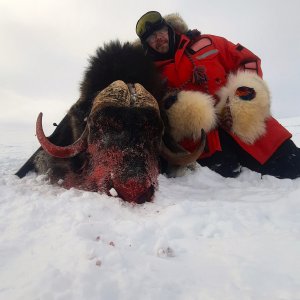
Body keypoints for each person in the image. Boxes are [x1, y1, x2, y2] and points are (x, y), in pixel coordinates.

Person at [135, 11, 300, 179]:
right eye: (151, 38)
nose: (158, 38)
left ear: (169, 28)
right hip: (205, 150)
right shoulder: (149, 74)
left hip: (253, 132)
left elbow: (248, 61)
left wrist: (241, 99)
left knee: (294, 167)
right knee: (228, 195)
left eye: (160, 31)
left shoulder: (208, 43)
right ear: (146, 45)